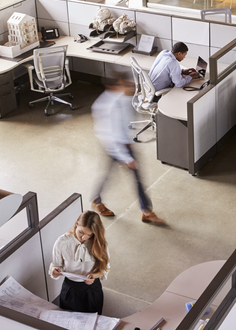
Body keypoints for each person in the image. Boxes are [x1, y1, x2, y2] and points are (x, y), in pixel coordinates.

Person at [91, 72, 166, 224]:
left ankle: (97, 199)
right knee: (135, 178)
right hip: (114, 146)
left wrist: (128, 139)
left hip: (123, 143)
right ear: (111, 87)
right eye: (123, 84)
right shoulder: (106, 107)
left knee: (110, 174)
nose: (129, 87)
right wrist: (126, 158)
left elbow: (125, 122)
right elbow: (110, 137)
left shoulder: (122, 97)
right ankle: (146, 211)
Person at [49, 210, 110, 314]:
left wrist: (94, 276)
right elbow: (56, 265)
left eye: (89, 235)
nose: (83, 237)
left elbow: (104, 269)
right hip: (70, 289)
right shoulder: (62, 242)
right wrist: (54, 271)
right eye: (81, 232)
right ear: (76, 223)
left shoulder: (99, 244)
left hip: (92, 290)